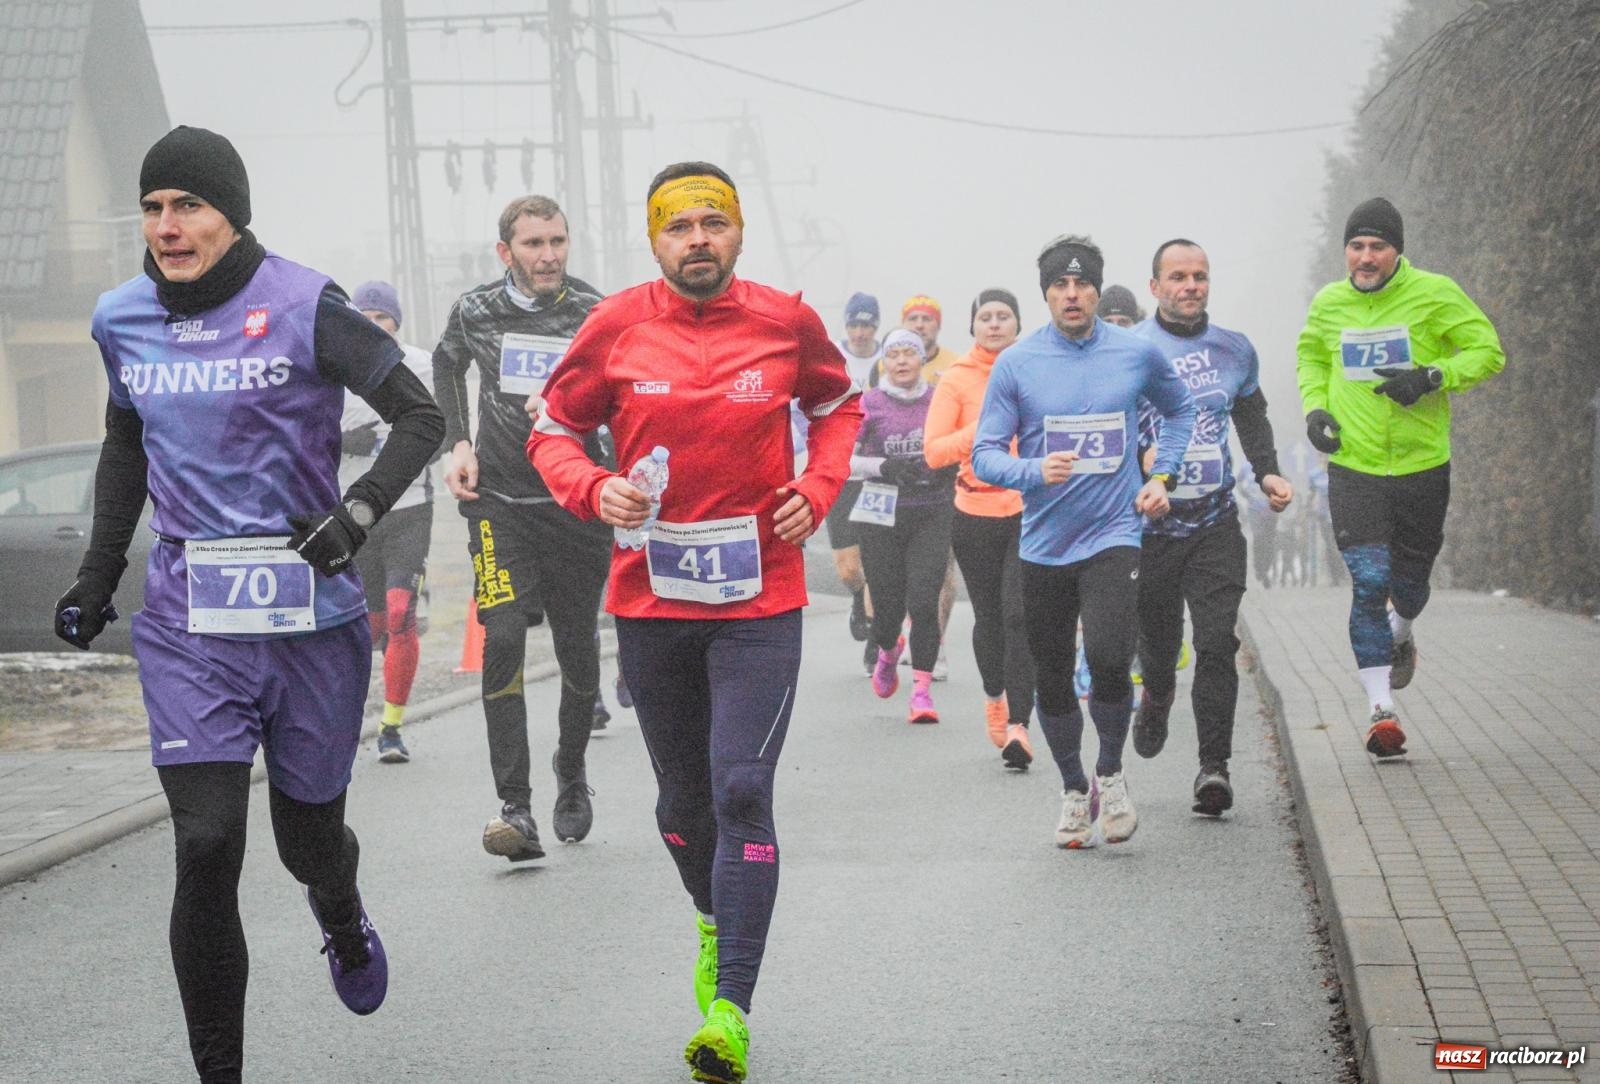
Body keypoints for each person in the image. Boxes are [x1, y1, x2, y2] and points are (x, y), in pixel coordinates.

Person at [52, 126, 444, 1082]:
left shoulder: (307, 304)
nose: (167, 226)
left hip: (311, 618)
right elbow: (126, 445)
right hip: (192, 619)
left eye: (188, 206)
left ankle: (340, 911)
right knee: (207, 841)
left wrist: (355, 516)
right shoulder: (122, 318)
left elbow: (422, 415)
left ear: (233, 215)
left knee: (308, 842)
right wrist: (99, 575)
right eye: (152, 208)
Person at [527, 161, 861, 1084]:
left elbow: (838, 409)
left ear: (740, 233)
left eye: (714, 222)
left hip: (762, 600)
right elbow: (549, 428)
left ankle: (730, 1011)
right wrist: (596, 488)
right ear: (655, 240)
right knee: (682, 806)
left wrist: (817, 485)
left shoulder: (785, 322)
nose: (698, 240)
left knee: (742, 788)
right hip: (653, 600)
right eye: (680, 227)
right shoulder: (616, 327)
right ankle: (716, 918)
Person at [972, 234, 1195, 849]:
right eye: (1059, 286)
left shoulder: (1134, 352)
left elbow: (1181, 413)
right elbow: (985, 455)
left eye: (1083, 284)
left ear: (1098, 289)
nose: (1072, 295)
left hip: (1114, 535)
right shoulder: (1018, 363)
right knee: (1050, 678)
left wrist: (1161, 475)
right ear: (1045, 293)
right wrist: (1032, 471)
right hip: (1044, 543)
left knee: (1105, 657)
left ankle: (1111, 774)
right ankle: (1074, 790)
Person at [432, 195, 611, 857]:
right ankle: (516, 807)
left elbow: (619, 399)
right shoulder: (477, 311)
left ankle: (571, 772)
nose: (549, 255)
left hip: (574, 506)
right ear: (505, 253)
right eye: (534, 244)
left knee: (576, 650)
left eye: (558, 241)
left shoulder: (595, 314)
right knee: (502, 635)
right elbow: (446, 365)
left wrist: (612, 477)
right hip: (499, 504)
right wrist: (458, 443)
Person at [1296, 197, 1504, 758]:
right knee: (1367, 581)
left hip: (1420, 465)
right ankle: (1380, 711)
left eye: (1378, 247)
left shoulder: (1434, 293)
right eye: (1357, 246)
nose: (1366, 258)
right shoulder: (1330, 302)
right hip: (1355, 467)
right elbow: (1312, 357)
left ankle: (1403, 628)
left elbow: (1488, 351)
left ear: (1397, 251)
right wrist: (1316, 410)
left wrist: (1433, 376)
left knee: (1409, 584)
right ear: (1346, 251)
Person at [1128, 239, 1293, 816]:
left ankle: (1213, 769)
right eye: (1177, 276)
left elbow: (1251, 413)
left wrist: (1268, 472)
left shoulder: (1234, 349)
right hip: (1150, 530)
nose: (1190, 286)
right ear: (1155, 287)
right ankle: (1157, 693)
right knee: (1159, 644)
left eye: (1199, 276)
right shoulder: (1130, 350)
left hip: (1216, 522)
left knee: (1217, 642)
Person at [924, 288, 1037, 767]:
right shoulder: (957, 379)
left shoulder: (1035, 368)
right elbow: (935, 452)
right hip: (973, 514)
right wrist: (985, 427)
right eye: (985, 317)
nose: (994, 324)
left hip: (1030, 511)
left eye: (1004, 316)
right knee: (990, 617)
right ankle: (995, 699)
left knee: (1019, 616)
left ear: (1017, 324)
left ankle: (1020, 727)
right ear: (973, 327)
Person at [341, 279, 437, 764]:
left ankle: (392, 727)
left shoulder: (419, 364)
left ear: (396, 323)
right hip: (355, 516)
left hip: (410, 509)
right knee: (368, 625)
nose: (376, 327)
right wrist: (341, 443)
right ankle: (354, 714)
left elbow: (444, 427)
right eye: (368, 318)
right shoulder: (336, 368)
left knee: (401, 616)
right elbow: (304, 435)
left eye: (384, 319)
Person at [852, 328, 959, 724]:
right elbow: (843, 460)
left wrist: (948, 464)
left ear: (921, 360)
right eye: (893, 354)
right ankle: (887, 648)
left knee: (924, 603)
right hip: (881, 513)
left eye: (908, 354)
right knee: (887, 611)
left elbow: (959, 442)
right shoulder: (869, 403)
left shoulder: (939, 400)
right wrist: (883, 466)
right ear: (884, 362)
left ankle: (921, 693)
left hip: (931, 510)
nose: (901, 361)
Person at [898, 295, 958, 677]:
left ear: (938, 325)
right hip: (899, 484)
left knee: (942, 569)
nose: (921, 325)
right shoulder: (893, 358)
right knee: (906, 569)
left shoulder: (953, 364)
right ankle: (913, 626)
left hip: (942, 482)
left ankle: (934, 643)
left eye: (927, 319)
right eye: (913, 319)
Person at [824, 291, 882, 659]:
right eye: (854, 324)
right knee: (848, 569)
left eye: (867, 325)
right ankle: (859, 599)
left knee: (875, 558)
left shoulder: (889, 357)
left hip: (878, 477)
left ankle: (876, 640)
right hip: (840, 474)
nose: (860, 332)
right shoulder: (833, 358)